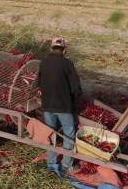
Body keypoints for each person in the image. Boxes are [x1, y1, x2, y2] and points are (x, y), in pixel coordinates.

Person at [34, 37, 82, 175]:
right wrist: (75, 101)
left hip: (48, 106)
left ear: (51, 48)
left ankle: (51, 162)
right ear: (64, 50)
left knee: (50, 134)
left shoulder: (43, 62)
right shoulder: (67, 64)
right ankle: (67, 165)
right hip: (64, 107)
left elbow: (38, 83)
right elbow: (75, 88)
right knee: (69, 135)